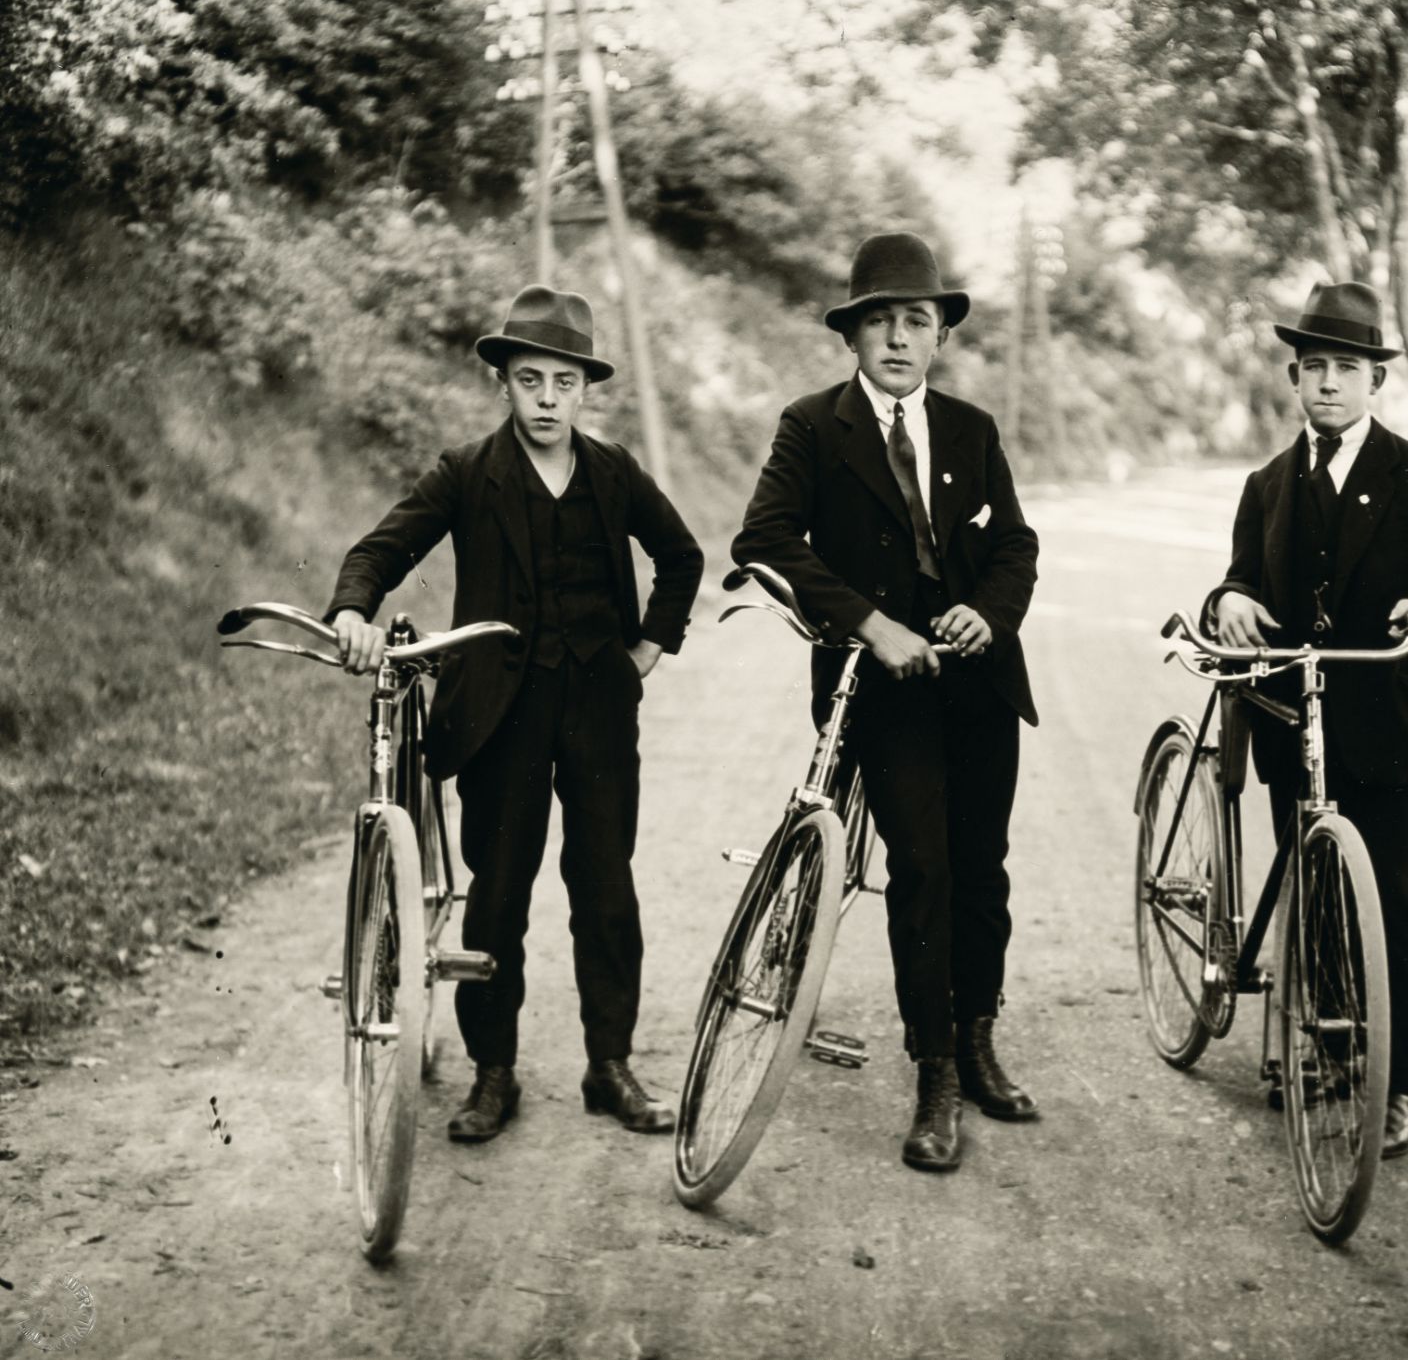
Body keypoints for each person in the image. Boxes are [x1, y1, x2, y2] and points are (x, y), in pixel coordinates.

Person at [324, 284, 704, 1142]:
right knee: (499, 896)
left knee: (606, 889)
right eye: (529, 379)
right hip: (502, 715)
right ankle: (494, 1075)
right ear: (503, 382)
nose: (545, 398)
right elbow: (384, 546)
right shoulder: (467, 472)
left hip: (600, 712)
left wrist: (646, 650)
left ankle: (610, 1066)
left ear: (584, 390)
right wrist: (353, 607)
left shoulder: (613, 473)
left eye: (563, 383)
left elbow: (681, 556)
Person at [732, 231, 1041, 1172]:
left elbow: (1015, 547)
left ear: (940, 334)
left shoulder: (973, 430)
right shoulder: (812, 426)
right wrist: (871, 624)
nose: (899, 339)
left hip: (977, 678)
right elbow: (766, 539)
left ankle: (980, 1037)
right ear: (853, 337)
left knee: (982, 868)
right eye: (881, 322)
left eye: (917, 320)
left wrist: (988, 616)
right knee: (923, 865)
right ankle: (935, 1070)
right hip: (880, 684)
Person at [1205, 280, 1408, 1159]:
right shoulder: (1267, 484)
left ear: (1376, 383)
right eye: (1315, 367)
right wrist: (1232, 600)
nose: (1329, 383)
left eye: (1348, 369)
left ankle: (1395, 1083)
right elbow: (1240, 576)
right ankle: (1331, 1050)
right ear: (1295, 378)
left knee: (1391, 902)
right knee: (1315, 887)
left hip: (1390, 721)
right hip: (1296, 716)